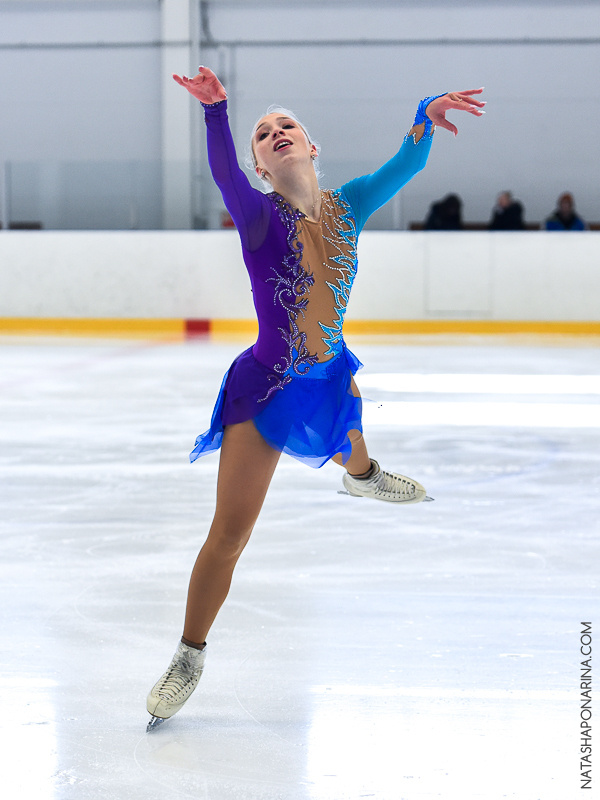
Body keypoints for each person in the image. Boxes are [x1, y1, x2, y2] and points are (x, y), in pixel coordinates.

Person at [145, 67, 486, 731]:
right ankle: (189, 654)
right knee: (230, 535)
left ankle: (364, 476)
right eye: (262, 134)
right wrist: (216, 113)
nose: (276, 133)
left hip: (329, 373)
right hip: (266, 388)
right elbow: (222, 173)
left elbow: (405, 165)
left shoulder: (349, 205)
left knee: (351, 434)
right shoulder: (256, 215)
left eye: (286, 126)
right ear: (261, 166)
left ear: (310, 147)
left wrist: (423, 117)